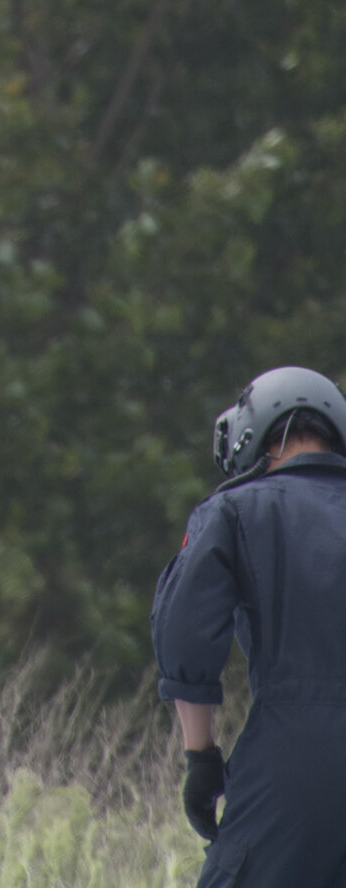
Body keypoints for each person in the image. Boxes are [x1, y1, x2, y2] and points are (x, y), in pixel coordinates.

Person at [151, 364, 346, 882]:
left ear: (249, 434)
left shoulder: (235, 511)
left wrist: (201, 758)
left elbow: (185, 635)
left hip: (297, 756)